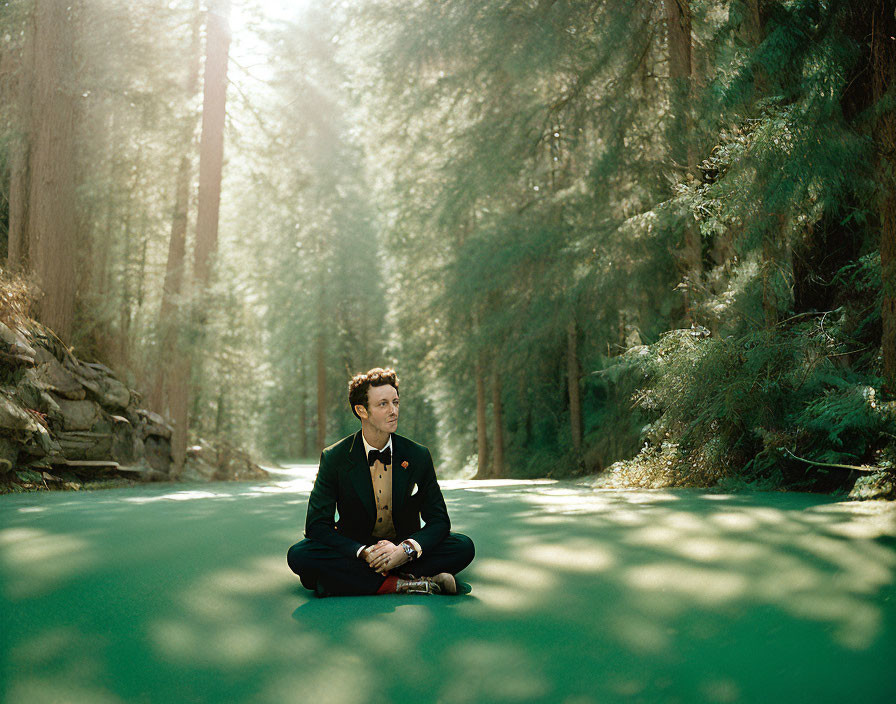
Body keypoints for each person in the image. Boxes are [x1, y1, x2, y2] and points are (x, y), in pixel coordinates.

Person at [287, 367, 475, 597]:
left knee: (463, 546)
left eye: (395, 402)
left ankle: (350, 582)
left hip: (403, 550)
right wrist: (363, 552)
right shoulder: (334, 458)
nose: (393, 410)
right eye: (383, 404)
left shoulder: (418, 455)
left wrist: (405, 550)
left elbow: (439, 521)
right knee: (299, 555)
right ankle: (406, 583)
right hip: (359, 551)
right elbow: (316, 526)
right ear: (361, 410)